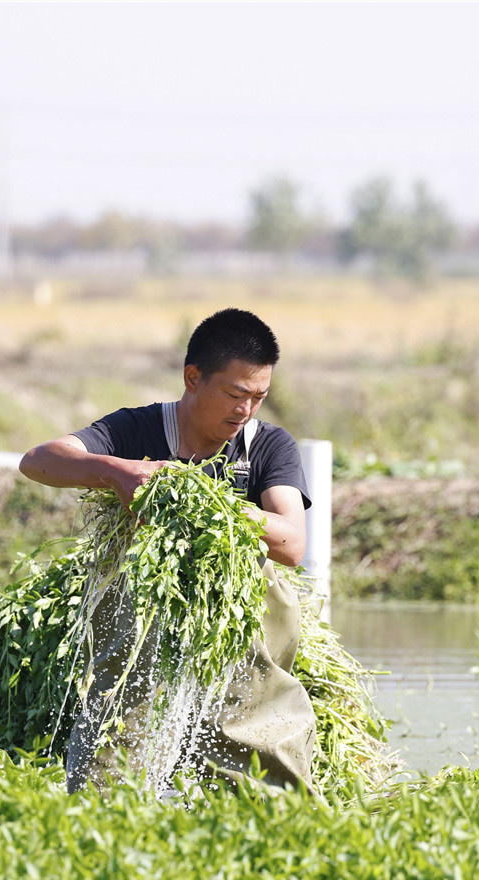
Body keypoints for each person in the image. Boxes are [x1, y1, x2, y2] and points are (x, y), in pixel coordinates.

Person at [19, 307, 317, 793]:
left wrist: (206, 500)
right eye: (234, 394)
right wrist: (116, 471)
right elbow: (39, 461)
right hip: (140, 612)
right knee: (121, 732)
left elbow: (291, 542)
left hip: (240, 621)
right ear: (193, 378)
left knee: (254, 724)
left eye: (258, 398)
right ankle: (106, 809)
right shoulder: (137, 430)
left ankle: (265, 812)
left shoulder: (267, 446)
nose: (244, 410)